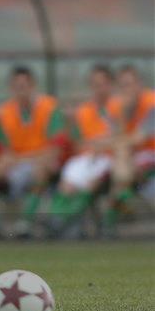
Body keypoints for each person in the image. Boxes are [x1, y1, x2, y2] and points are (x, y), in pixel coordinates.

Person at [0, 66, 65, 238]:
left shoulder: (50, 108)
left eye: (24, 86)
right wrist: (4, 162)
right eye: (16, 87)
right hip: (15, 165)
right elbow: (2, 150)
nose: (21, 91)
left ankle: (26, 224)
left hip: (38, 164)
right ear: (11, 89)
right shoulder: (5, 112)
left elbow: (54, 150)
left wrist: (20, 159)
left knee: (41, 169)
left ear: (33, 86)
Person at [49, 65, 118, 237]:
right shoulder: (84, 111)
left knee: (91, 181)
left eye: (102, 84)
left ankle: (72, 221)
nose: (99, 88)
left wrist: (100, 144)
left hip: (110, 157)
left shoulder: (119, 107)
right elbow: (78, 142)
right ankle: (57, 220)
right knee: (68, 182)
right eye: (95, 84)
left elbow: (121, 138)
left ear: (110, 85)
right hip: (87, 156)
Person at [103, 65, 155, 236]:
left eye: (130, 84)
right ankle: (120, 201)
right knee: (121, 155)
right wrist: (124, 113)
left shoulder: (151, 103)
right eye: (123, 85)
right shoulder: (117, 106)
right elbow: (112, 137)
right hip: (127, 159)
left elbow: (140, 138)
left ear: (139, 84)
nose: (127, 89)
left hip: (150, 153)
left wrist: (118, 142)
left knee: (122, 153)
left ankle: (110, 220)